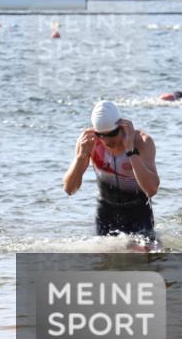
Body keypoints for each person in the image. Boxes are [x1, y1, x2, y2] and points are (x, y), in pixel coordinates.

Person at [62, 101, 160, 239]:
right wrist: (80, 157)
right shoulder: (88, 142)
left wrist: (130, 150)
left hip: (139, 214)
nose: (106, 140)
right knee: (105, 258)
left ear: (121, 126)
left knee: (148, 256)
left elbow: (152, 190)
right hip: (106, 215)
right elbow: (69, 189)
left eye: (112, 133)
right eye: (101, 135)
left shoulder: (142, 142)